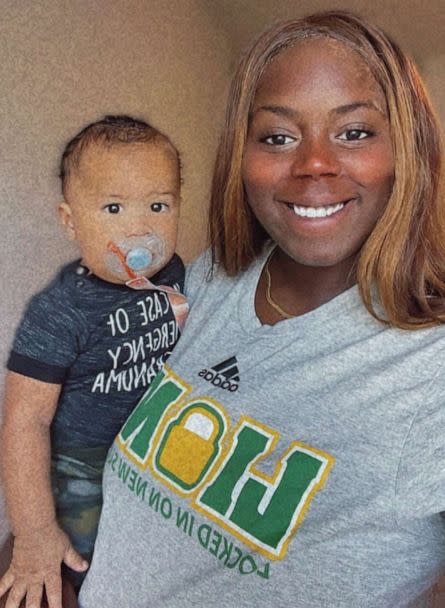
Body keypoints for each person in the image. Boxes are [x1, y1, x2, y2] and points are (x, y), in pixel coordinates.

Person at [79, 10, 445, 607]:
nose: (314, 165)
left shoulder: (432, 363)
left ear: (408, 151)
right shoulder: (212, 279)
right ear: (240, 157)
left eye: (355, 133)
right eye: (277, 137)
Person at [0, 115, 188, 607]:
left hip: (151, 448)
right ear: (71, 221)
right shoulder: (60, 312)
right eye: (113, 207)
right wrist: (34, 533)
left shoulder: (173, 274)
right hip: (83, 463)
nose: (140, 227)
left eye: (158, 204)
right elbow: (25, 421)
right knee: (85, 559)